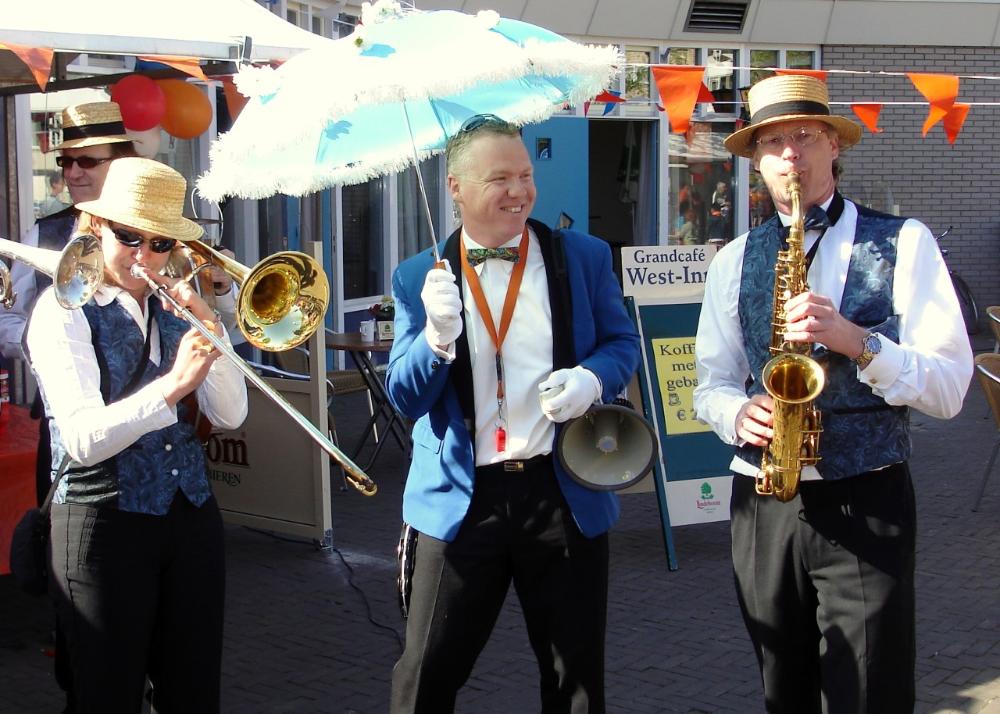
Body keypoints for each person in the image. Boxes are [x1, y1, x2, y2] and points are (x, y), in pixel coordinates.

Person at [693, 74, 973, 713]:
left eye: (804, 135)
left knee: (872, 693)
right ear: (756, 161)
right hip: (764, 502)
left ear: (833, 147)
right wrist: (740, 413)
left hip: (866, 496)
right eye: (772, 142)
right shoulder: (733, 259)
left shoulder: (904, 242)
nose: (790, 153)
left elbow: (951, 388)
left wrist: (857, 341)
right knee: (781, 689)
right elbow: (709, 385)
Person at [386, 114, 640, 713]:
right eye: (500, 178)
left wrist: (592, 378)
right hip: (461, 502)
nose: (520, 191)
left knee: (574, 681)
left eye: (526, 175)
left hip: (561, 491)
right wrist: (437, 340)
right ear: (456, 188)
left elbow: (620, 343)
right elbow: (404, 396)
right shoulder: (418, 276)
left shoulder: (581, 256)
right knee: (426, 677)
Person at [23, 157, 248, 713]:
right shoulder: (62, 309)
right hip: (102, 523)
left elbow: (232, 413)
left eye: (160, 243)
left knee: (194, 693)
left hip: (189, 517)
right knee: (106, 695)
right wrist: (170, 389)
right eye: (129, 237)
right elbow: (80, 437)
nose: (144, 257)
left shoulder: (177, 305)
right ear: (95, 228)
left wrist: (214, 333)